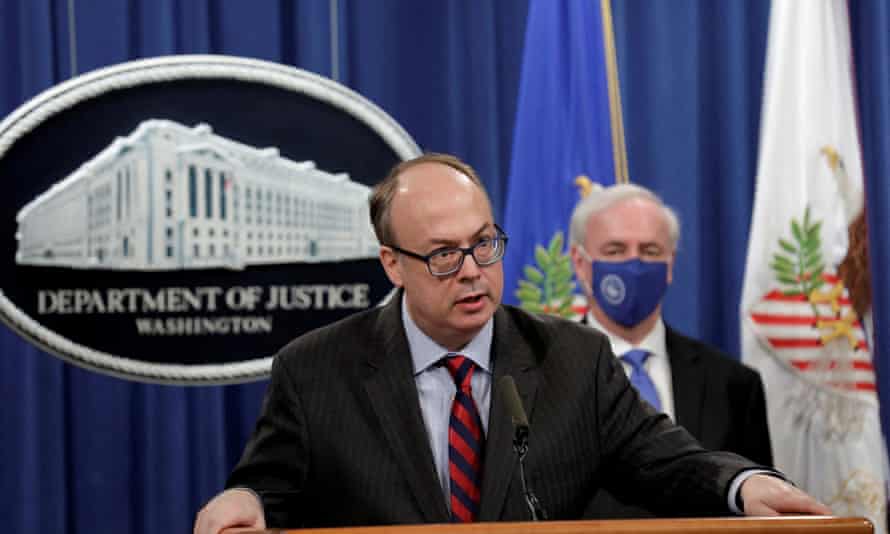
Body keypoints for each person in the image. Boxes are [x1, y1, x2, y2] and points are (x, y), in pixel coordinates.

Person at [194, 153, 829, 533]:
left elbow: (665, 458)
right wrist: (242, 501)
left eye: (483, 243)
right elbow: (266, 488)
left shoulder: (572, 360)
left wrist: (741, 486)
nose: (473, 269)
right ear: (392, 264)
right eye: (444, 255)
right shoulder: (316, 371)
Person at [566, 183, 774, 519]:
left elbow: (757, 514)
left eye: (649, 251)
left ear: (671, 263)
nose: (634, 264)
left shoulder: (733, 385)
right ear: (580, 263)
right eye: (616, 250)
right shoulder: (545, 375)